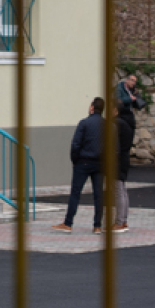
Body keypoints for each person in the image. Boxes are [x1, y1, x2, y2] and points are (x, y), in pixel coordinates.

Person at [53, 97, 105, 233]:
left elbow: (76, 144)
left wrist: (75, 160)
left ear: (92, 107)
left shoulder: (84, 123)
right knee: (98, 194)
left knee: (75, 193)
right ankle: (97, 225)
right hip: (100, 163)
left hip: (83, 161)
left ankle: (68, 223)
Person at [113, 96, 137, 233]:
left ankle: (120, 222)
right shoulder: (128, 122)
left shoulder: (116, 124)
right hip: (124, 158)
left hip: (117, 160)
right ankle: (123, 220)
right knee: (122, 189)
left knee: (118, 190)